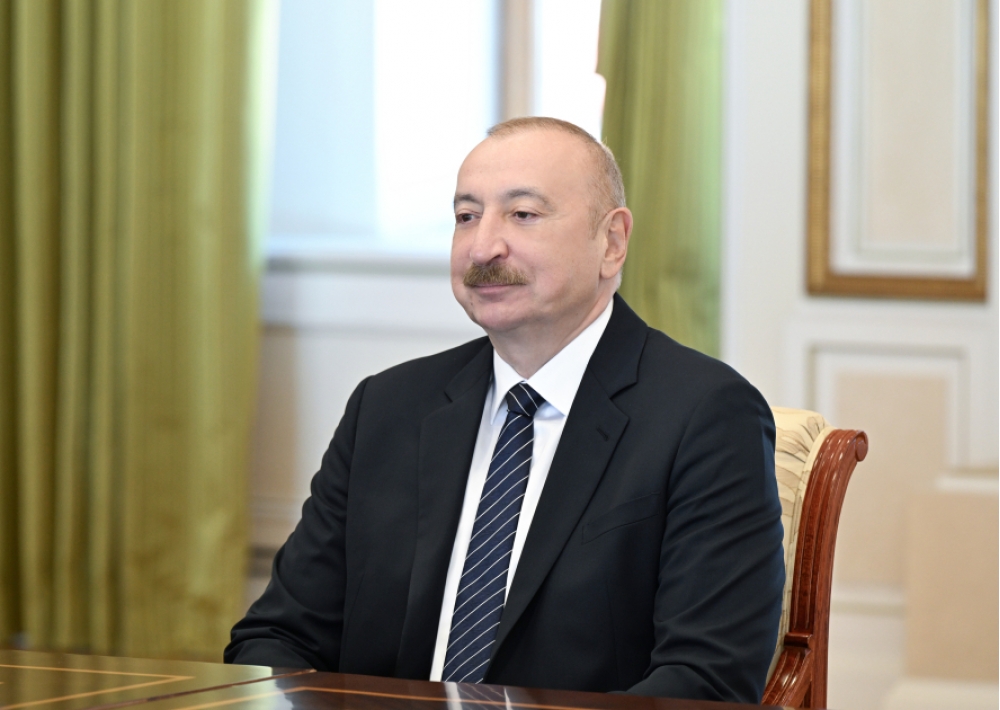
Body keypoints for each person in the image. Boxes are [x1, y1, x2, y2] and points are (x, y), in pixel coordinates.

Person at [225, 117, 784, 703]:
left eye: (522, 214)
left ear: (612, 242)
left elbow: (704, 682)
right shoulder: (388, 408)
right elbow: (276, 637)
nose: (483, 247)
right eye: (467, 216)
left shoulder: (706, 416)